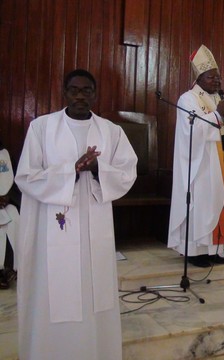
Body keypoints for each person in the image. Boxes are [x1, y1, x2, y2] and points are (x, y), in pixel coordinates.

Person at [15, 69, 138, 360]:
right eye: (74, 90)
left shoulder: (111, 131)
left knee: (96, 292)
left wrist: (98, 169)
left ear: (95, 94)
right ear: (64, 92)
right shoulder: (42, 128)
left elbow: (127, 171)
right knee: (56, 292)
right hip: (54, 227)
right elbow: (26, 176)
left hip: (95, 222)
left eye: (87, 90)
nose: (80, 96)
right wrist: (71, 170)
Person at [168, 45, 224, 268]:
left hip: (223, 162)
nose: (217, 81)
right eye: (212, 77)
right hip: (202, 164)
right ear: (200, 78)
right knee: (203, 205)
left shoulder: (218, 98)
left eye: (218, 77)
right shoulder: (188, 99)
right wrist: (218, 115)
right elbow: (190, 130)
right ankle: (196, 252)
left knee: (220, 204)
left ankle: (215, 249)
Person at [0, 137, 19, 290]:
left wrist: (8, 197)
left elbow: (16, 181)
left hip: (6, 203)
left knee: (14, 216)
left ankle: (14, 267)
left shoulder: (5, 154)